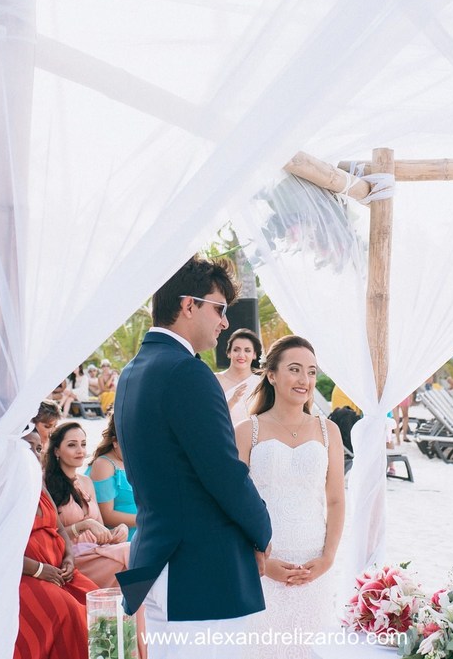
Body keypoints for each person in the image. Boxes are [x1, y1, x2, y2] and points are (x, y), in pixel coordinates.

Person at [115, 255, 272, 658]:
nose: (225, 322)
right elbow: (223, 471)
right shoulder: (187, 372)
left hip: (155, 557)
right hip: (200, 570)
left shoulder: (132, 371)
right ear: (188, 305)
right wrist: (262, 529)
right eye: (219, 309)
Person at [235, 335, 345, 658]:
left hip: (314, 565)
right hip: (262, 565)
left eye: (311, 372)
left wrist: (327, 558)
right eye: (295, 369)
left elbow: (336, 500)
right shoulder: (246, 431)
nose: (304, 380)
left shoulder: (329, 431)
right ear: (271, 375)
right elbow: (233, 506)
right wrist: (260, 560)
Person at [15, 428, 97, 659]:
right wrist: (39, 570)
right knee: (69, 611)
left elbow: (59, 528)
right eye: (28, 448)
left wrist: (69, 558)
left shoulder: (39, 486)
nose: (35, 454)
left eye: (38, 448)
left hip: (60, 571)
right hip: (25, 575)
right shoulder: (1, 491)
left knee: (98, 602)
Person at [45, 421, 130, 587]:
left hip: (95, 551)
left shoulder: (86, 482)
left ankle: (141, 602)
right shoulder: (45, 484)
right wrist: (84, 525)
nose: (80, 451)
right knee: (132, 553)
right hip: (69, 556)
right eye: (72, 445)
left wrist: (119, 530)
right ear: (56, 450)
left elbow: (101, 531)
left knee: (139, 552)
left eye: (83, 444)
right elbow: (48, 537)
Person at [85, 412, 138, 539]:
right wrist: (147, 520)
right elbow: (106, 515)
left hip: (146, 530)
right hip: (122, 536)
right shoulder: (104, 464)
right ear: (115, 442)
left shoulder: (134, 461)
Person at [217, 327, 262, 426]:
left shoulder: (261, 383)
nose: (241, 355)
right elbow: (210, 415)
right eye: (236, 350)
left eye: (247, 350)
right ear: (229, 353)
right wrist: (233, 401)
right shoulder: (214, 380)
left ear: (254, 354)